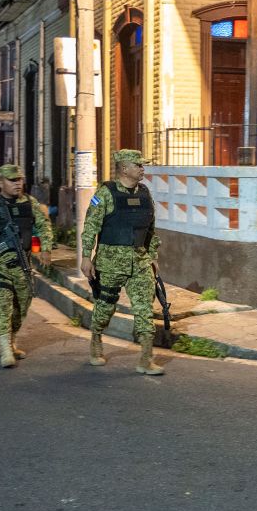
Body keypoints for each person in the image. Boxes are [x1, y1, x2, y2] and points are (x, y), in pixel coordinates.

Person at [79, 149, 164, 375]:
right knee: (105, 307)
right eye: (138, 165)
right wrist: (86, 256)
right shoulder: (105, 193)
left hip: (140, 261)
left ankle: (146, 359)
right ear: (124, 168)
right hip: (110, 262)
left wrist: (153, 255)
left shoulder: (145, 193)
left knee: (145, 308)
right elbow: (91, 225)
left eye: (142, 165)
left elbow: (151, 228)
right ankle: (96, 337)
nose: (142, 168)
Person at [0, 164, 54, 368]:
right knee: (3, 303)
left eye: (19, 180)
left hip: (22, 264)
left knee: (22, 305)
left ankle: (12, 339)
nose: (18, 183)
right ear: (1, 183)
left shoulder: (29, 203)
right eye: (12, 180)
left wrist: (46, 248)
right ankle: (5, 350)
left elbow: (44, 226)